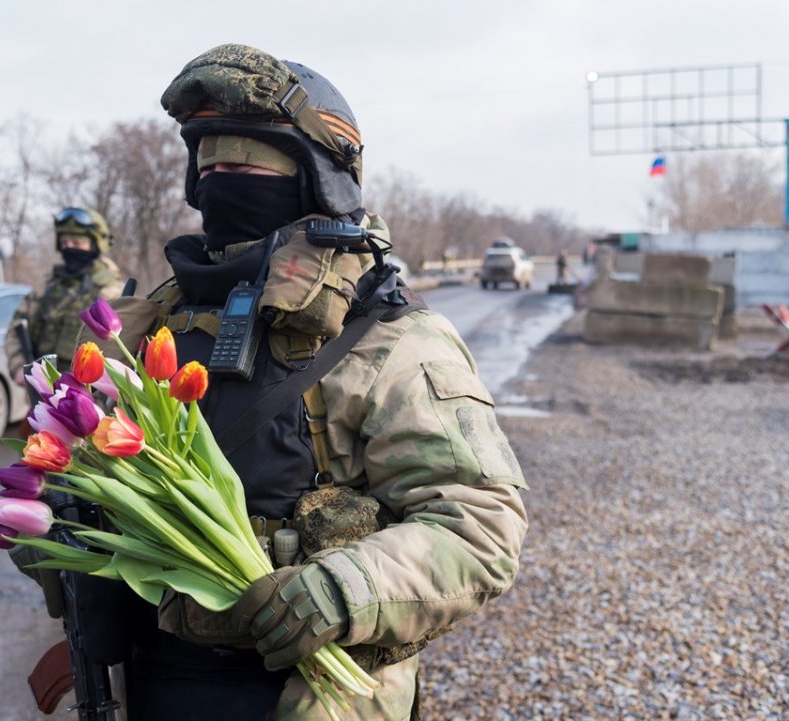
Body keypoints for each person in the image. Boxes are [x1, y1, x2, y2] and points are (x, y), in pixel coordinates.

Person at [63, 45, 528, 721]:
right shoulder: (148, 322)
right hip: (157, 681)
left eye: (246, 163)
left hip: (310, 691)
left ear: (315, 178)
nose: (222, 178)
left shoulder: (385, 336)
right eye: (209, 163)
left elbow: (481, 526)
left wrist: (345, 587)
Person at [5, 207, 125, 377]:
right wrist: (18, 367)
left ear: (95, 245)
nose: (69, 248)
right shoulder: (47, 287)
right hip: (42, 388)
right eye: (64, 243)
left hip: (89, 394)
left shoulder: (111, 290)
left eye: (77, 244)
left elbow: (119, 349)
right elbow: (17, 327)